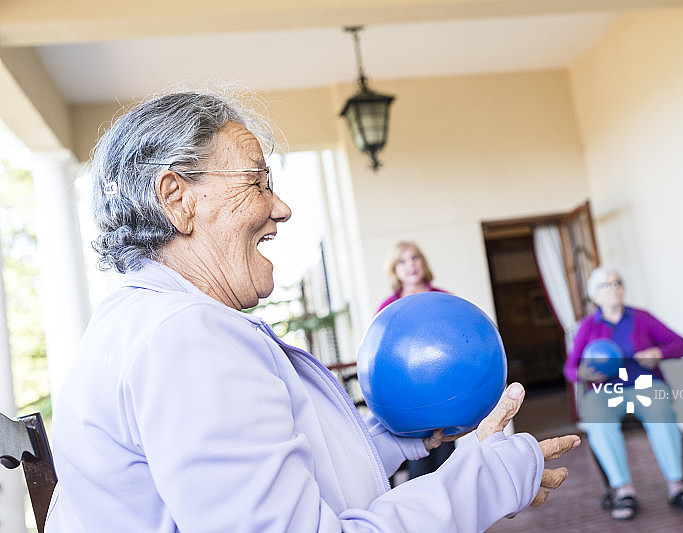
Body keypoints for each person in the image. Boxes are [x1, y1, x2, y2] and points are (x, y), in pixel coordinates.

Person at [46, 90, 581, 532]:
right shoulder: (186, 339)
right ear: (178, 198)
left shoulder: (135, 325)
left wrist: (388, 441)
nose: (281, 208)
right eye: (257, 181)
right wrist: (488, 478)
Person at [563, 266, 683, 520]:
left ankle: (679, 487)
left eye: (617, 283)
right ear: (594, 296)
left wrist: (658, 353)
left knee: (661, 413)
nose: (614, 288)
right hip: (605, 390)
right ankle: (623, 490)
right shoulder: (587, 326)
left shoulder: (642, 318)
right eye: (606, 285)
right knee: (597, 420)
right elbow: (571, 368)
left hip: (645, 386)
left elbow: (682, 344)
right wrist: (583, 374)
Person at [377, 241, 454, 479]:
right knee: (419, 471)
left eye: (415, 258)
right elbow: (381, 353)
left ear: (423, 262)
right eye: (402, 261)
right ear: (395, 269)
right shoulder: (387, 308)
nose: (410, 265)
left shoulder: (444, 299)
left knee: (449, 467)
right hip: (408, 399)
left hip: (443, 393)